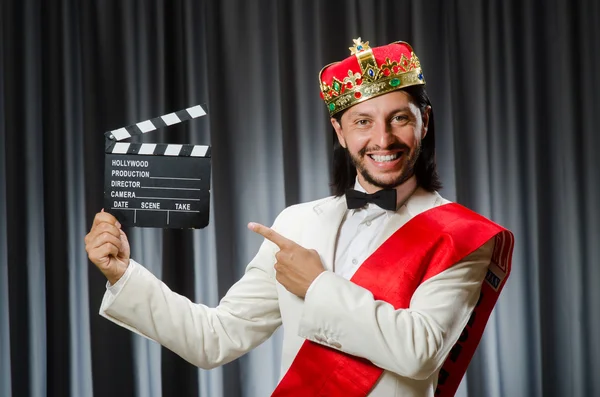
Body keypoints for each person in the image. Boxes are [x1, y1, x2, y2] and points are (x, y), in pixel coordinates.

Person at [85, 38, 514, 397]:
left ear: (424, 122)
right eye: (362, 121)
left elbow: (419, 352)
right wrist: (124, 275)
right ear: (340, 132)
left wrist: (316, 286)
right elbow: (215, 338)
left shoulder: (462, 235)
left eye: (399, 118)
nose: (382, 139)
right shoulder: (296, 223)